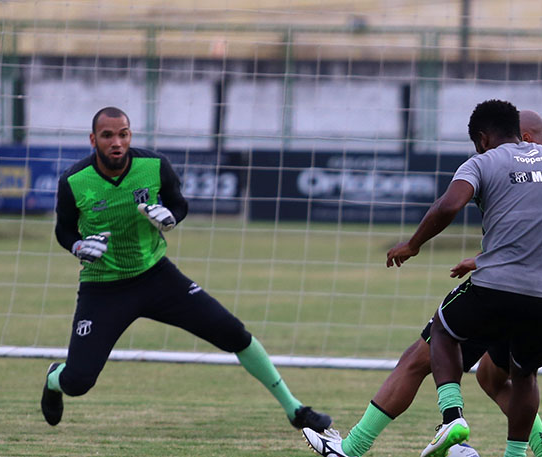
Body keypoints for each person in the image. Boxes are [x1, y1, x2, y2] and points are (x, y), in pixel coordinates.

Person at [302, 110, 542, 457]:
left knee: (420, 356)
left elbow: (452, 206)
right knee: (497, 376)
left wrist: (421, 245)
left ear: (520, 136)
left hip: (500, 290)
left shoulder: (503, 166)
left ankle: (354, 448)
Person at [40, 106, 331, 434]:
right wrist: (78, 246)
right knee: (77, 382)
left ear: (130, 135)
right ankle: (53, 379)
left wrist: (170, 217)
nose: (116, 142)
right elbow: (63, 230)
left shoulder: (154, 165)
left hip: (157, 277)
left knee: (234, 333)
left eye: (123, 134)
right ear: (93, 139)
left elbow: (178, 203)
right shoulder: (74, 181)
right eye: (107, 135)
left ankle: (295, 409)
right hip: (103, 287)